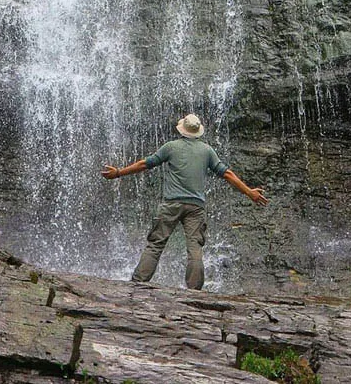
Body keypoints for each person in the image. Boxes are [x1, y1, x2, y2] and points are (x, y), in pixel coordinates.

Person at [101, 114, 268, 290]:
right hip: (196, 207)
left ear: (182, 130)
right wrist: (249, 192)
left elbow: (144, 164)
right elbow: (227, 174)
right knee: (195, 248)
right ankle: (194, 292)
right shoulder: (207, 150)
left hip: (171, 204)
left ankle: (137, 285)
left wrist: (119, 173)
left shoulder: (171, 147)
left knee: (156, 244)